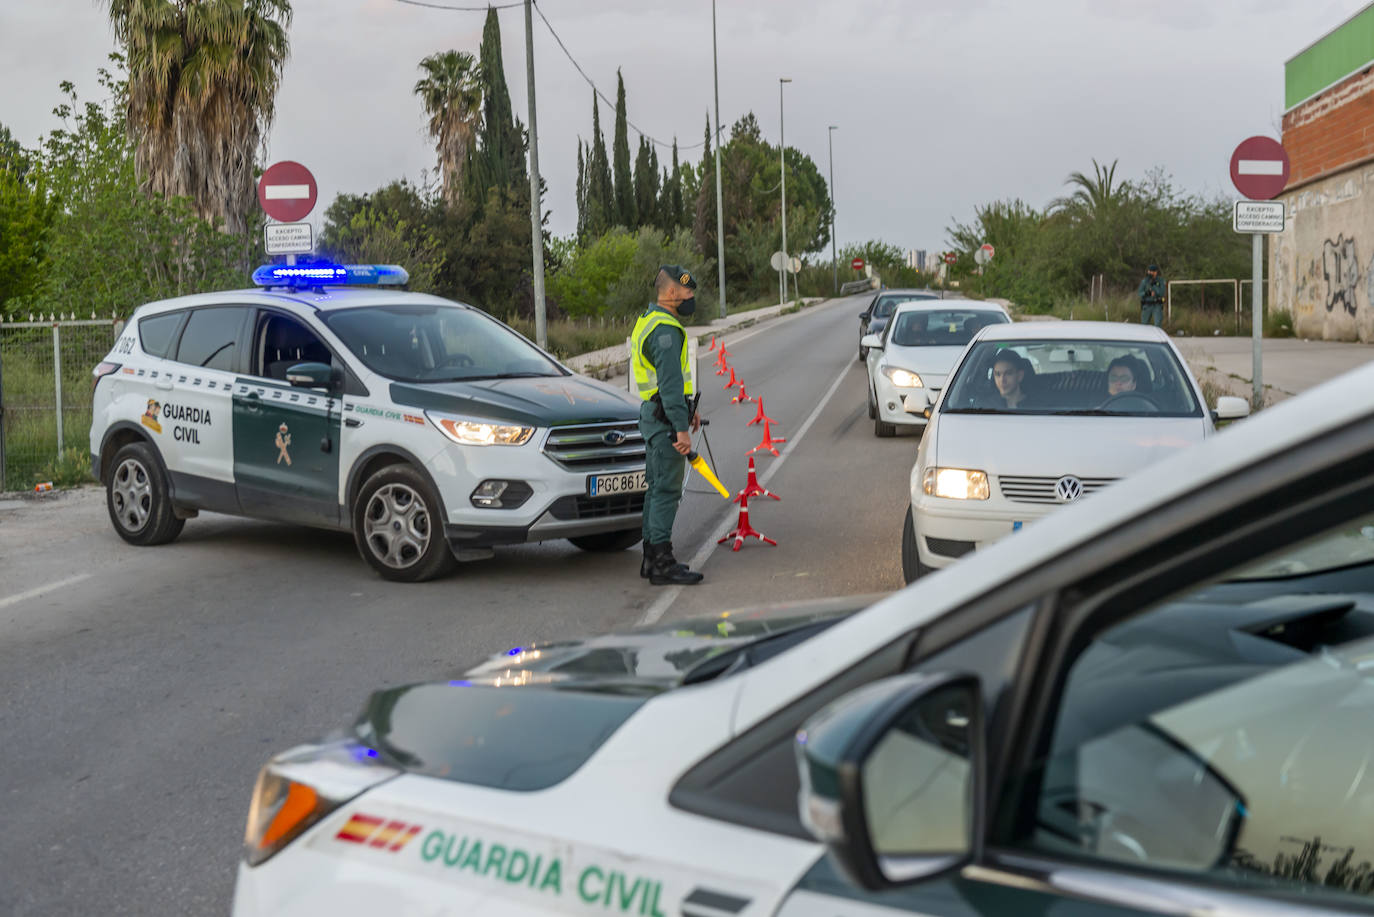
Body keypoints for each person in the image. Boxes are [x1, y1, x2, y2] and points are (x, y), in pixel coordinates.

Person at [631, 265, 705, 586]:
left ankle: (650, 557)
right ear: (672, 292)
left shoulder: (649, 321)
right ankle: (662, 561)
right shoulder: (665, 330)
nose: (691, 297)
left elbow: (670, 387)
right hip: (665, 421)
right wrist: (681, 429)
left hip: (655, 414)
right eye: (687, 291)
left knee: (655, 487)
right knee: (666, 491)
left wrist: (688, 411)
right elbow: (671, 385)